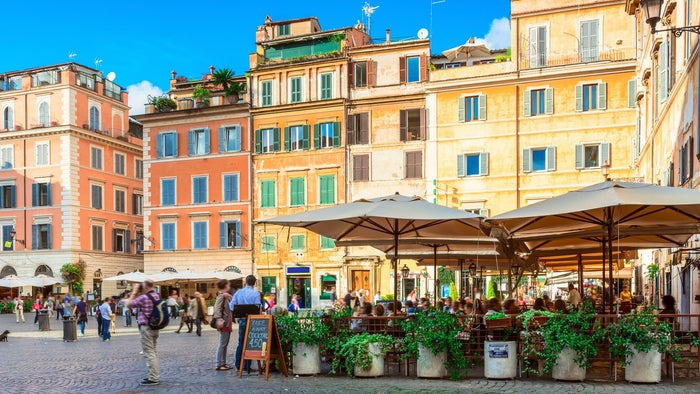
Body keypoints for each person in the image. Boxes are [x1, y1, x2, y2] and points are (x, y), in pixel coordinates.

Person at [127, 279, 161, 386]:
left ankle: (154, 378)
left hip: (146, 327)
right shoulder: (156, 296)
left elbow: (129, 304)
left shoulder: (143, 297)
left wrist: (134, 291)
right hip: (155, 326)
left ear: (145, 287)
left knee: (149, 352)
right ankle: (154, 375)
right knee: (153, 351)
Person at [229, 274, 261, 372]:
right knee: (250, 343)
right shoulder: (256, 294)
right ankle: (247, 366)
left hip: (242, 319)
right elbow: (258, 308)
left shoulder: (239, 293)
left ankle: (239, 364)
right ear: (254, 283)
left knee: (241, 342)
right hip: (252, 320)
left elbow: (231, 306)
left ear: (245, 282)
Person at [213, 279, 233, 371]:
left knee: (225, 344)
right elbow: (217, 308)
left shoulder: (225, 296)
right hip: (223, 323)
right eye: (228, 284)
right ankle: (218, 363)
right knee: (222, 344)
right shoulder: (221, 296)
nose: (229, 286)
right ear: (225, 286)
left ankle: (223, 362)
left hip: (227, 323)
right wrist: (219, 319)